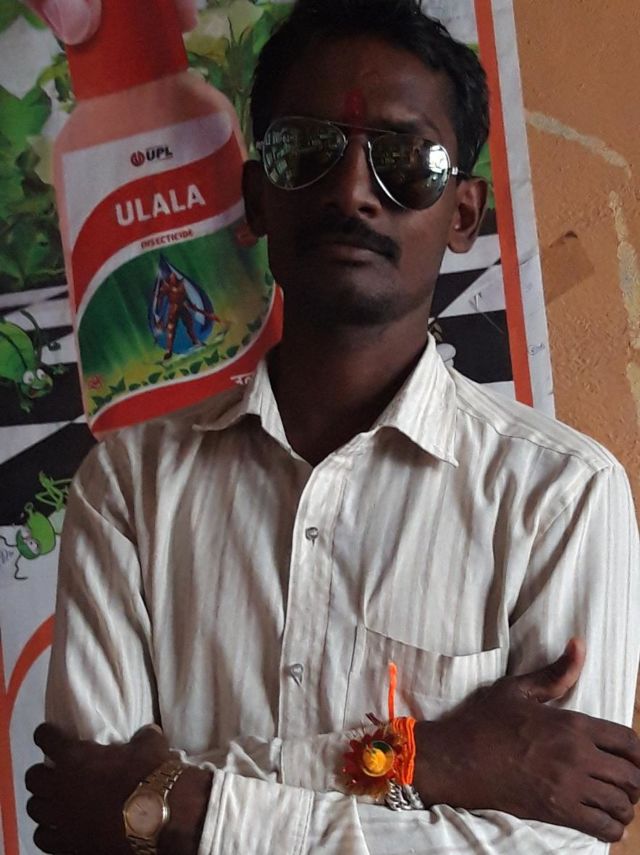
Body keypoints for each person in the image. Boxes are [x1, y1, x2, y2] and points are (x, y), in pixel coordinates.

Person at [25, 1, 640, 853]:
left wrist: (190, 810)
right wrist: (425, 758)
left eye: (408, 161)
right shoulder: (128, 488)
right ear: (256, 197)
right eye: (306, 151)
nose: (353, 191)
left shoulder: (561, 497)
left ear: (464, 212)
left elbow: (551, 847)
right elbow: (95, 818)